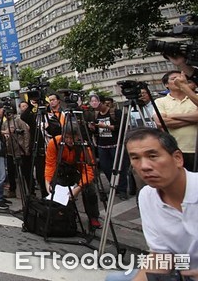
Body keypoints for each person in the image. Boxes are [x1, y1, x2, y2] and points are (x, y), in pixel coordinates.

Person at [105, 127, 197, 280]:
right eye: (135, 158)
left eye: (152, 156)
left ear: (177, 158)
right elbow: (161, 256)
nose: (144, 166)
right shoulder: (147, 196)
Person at [44, 122, 101, 230]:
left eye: (73, 137)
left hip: (77, 172)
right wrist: (48, 181)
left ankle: (93, 217)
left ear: (78, 136)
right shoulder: (54, 143)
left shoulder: (85, 148)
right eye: (67, 137)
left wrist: (78, 188)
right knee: (55, 190)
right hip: (61, 171)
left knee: (90, 190)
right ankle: (63, 214)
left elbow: (88, 171)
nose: (70, 140)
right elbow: (50, 164)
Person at [153, 70, 198, 172]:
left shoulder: (195, 98)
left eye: (181, 78)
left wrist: (172, 116)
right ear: (166, 85)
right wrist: (193, 120)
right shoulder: (160, 101)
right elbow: (161, 122)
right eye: (174, 79)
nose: (178, 80)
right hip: (175, 149)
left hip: (195, 148)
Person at [88, 94, 127, 199]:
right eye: (92, 102)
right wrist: (93, 128)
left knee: (119, 168)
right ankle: (115, 187)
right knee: (106, 168)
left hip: (115, 144)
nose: (95, 105)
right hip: (102, 146)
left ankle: (123, 190)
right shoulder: (96, 115)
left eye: (96, 101)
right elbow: (96, 130)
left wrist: (106, 126)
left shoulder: (115, 113)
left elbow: (122, 127)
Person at [2, 108, 31, 198]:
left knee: (26, 172)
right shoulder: (5, 123)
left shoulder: (18, 120)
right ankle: (12, 190)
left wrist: (26, 148)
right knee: (11, 172)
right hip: (10, 151)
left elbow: (26, 133)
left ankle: (31, 191)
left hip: (21, 150)